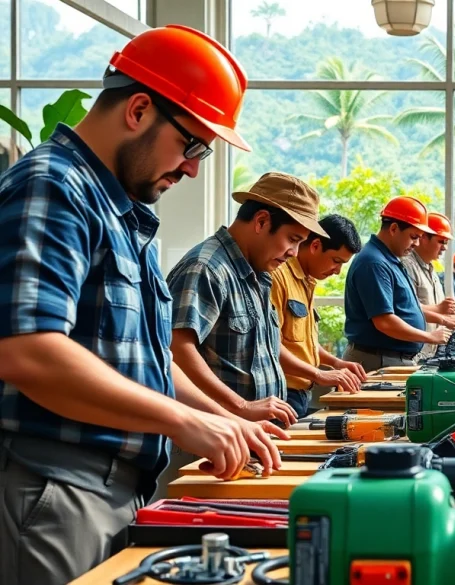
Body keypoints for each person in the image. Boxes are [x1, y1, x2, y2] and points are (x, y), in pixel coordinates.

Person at [0, 26, 285, 585]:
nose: (195, 168)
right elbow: (26, 351)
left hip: (107, 487)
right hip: (55, 484)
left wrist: (222, 417)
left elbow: (147, 360)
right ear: (137, 110)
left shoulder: (121, 212)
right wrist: (185, 421)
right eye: (192, 145)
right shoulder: (53, 186)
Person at [167, 172, 324, 429]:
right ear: (261, 221)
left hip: (253, 432)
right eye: (293, 240)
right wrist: (241, 406)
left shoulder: (259, 274)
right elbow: (177, 348)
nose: (294, 252)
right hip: (213, 433)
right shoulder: (206, 268)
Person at [271, 214, 367, 418]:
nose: (338, 271)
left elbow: (303, 342)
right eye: (336, 261)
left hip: (301, 392)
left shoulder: (307, 280)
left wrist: (336, 363)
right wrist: (319, 374)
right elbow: (271, 345)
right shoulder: (278, 276)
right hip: (281, 394)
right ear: (315, 245)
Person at [343, 197, 450, 370]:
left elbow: (405, 307)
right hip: (378, 360)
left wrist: (441, 318)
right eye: (413, 237)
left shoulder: (391, 260)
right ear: (393, 228)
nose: (416, 244)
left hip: (392, 358)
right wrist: (430, 336)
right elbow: (385, 322)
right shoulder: (374, 263)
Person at [401, 212, 455, 360]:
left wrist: (453, 313)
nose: (444, 248)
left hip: (429, 352)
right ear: (423, 237)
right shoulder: (407, 266)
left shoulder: (431, 269)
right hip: (413, 353)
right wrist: (441, 314)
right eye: (441, 241)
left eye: (446, 243)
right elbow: (405, 309)